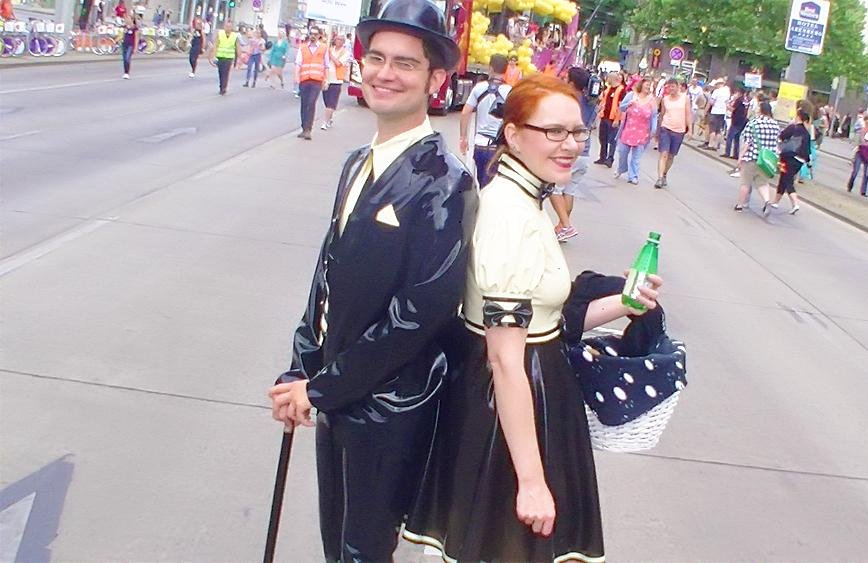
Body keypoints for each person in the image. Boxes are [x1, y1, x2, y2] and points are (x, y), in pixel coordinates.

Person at [402, 73, 663, 563]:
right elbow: (505, 359)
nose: (571, 145)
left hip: (529, 394)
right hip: (507, 409)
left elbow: (546, 323)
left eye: (578, 132)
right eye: (554, 131)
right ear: (514, 134)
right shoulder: (509, 215)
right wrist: (532, 480)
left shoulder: (527, 200)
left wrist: (625, 303)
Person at [266, 0, 474, 559]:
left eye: (405, 63)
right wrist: (301, 367)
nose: (385, 73)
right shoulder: (357, 161)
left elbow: (420, 313)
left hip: (389, 404)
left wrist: (320, 389)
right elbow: (327, 274)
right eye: (376, 58)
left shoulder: (444, 180)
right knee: (336, 545)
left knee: (362, 552)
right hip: (338, 391)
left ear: (435, 79)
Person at [550, 66, 597, 242]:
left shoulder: (569, 102)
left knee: (553, 188)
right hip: (584, 151)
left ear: (571, 83)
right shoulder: (591, 102)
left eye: (566, 79)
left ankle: (566, 225)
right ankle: (562, 227)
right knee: (569, 191)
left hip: (570, 151)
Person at [459, 54, 512, 187]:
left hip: (480, 145)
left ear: (491, 68)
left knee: (482, 184)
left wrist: (463, 138)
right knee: (493, 187)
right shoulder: (510, 92)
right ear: (506, 70)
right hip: (498, 148)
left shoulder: (479, 88)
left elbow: (465, 112)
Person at [734, 101, 781, 212]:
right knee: (763, 183)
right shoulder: (775, 125)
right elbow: (778, 142)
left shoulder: (754, 123)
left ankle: (740, 205)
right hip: (766, 160)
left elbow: (747, 142)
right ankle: (767, 201)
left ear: (760, 110)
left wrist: (740, 157)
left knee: (745, 183)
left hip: (752, 157)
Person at [765, 108, 812, 216]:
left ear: (798, 117)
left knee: (787, 180)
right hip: (799, 161)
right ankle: (775, 202)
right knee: (784, 178)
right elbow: (808, 150)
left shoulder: (793, 128)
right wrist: (808, 162)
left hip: (788, 158)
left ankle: (795, 204)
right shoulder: (806, 133)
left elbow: (781, 136)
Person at [613, 77, 657, 185]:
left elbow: (654, 116)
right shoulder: (631, 95)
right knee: (622, 152)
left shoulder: (652, 100)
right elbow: (621, 107)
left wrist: (653, 129)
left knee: (636, 157)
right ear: (641, 85)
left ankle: (633, 176)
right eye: (647, 85)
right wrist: (629, 104)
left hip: (642, 132)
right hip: (628, 129)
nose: (648, 87)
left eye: (650, 85)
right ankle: (621, 168)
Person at [654, 77, 691, 189]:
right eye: (669, 87)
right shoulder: (665, 99)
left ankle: (664, 173)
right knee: (664, 153)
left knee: (671, 155)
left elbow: (688, 114)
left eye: (673, 86)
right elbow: (662, 115)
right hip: (666, 128)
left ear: (678, 87)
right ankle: (660, 178)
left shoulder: (685, 98)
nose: (671, 89)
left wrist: (690, 130)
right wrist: (658, 130)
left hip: (679, 131)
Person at [294, 27, 329, 140]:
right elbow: (298, 63)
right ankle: (304, 128)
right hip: (304, 79)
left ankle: (308, 129)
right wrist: (296, 76)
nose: (313, 36)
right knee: (304, 104)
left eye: (315, 34)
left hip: (316, 80)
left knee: (311, 102)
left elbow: (326, 65)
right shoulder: (303, 47)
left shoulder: (323, 48)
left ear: (319, 36)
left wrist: (326, 80)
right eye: (311, 34)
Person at [593, 71, 625, 168]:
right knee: (602, 138)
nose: (607, 80)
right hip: (604, 116)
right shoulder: (607, 89)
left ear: (612, 79)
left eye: (608, 78)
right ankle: (602, 157)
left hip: (613, 118)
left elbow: (621, 106)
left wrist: (617, 119)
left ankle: (610, 158)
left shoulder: (621, 90)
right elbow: (602, 100)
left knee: (612, 140)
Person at [319, 34, 349, 130]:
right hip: (326, 79)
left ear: (343, 42)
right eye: (337, 39)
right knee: (327, 102)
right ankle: (330, 119)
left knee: (331, 103)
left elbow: (338, 63)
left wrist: (330, 55)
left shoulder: (345, 52)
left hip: (336, 81)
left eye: (341, 40)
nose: (338, 41)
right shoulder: (330, 49)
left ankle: (325, 122)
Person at [847, 116, 868, 196]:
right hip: (860, 152)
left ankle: (863, 191)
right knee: (856, 170)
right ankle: (850, 185)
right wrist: (866, 142)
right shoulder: (862, 130)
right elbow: (861, 141)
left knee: (867, 173)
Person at [700, 79, 730, 150]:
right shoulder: (727, 92)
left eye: (716, 84)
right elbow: (727, 102)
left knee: (712, 129)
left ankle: (710, 144)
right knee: (718, 130)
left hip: (715, 112)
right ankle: (716, 145)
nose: (715, 86)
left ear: (719, 84)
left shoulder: (716, 91)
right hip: (722, 113)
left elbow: (711, 102)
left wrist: (705, 111)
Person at [213, 20, 240, 95]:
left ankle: (223, 88)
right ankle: (221, 86)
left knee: (226, 73)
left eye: (230, 27)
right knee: (220, 72)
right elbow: (216, 45)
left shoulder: (235, 36)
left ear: (232, 27)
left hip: (229, 58)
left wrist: (239, 59)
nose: (228, 28)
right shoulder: (220, 34)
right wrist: (214, 56)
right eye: (226, 26)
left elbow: (237, 47)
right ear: (224, 27)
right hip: (220, 56)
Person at [723, 85, 748, 160]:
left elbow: (732, 109)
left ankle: (727, 153)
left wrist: (727, 104)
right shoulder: (745, 101)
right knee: (737, 138)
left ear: (739, 93)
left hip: (736, 121)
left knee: (729, 137)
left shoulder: (738, 100)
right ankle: (736, 154)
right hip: (742, 121)